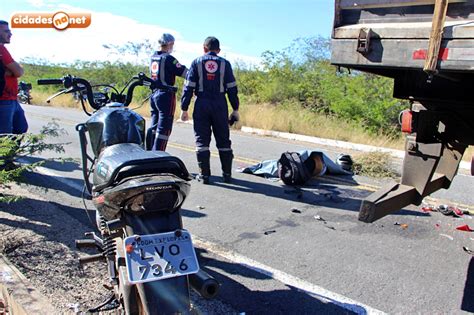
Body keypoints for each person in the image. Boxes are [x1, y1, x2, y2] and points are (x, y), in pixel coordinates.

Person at [180, 36, 240, 184]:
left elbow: (189, 87)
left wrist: (184, 108)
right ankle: (227, 175)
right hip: (220, 104)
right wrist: (235, 108)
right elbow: (232, 88)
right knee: (223, 139)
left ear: (204, 48)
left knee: (202, 140)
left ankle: (204, 175)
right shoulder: (225, 64)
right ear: (218, 50)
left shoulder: (196, 62)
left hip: (201, 104)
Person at [147, 33, 187, 151]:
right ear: (169, 43)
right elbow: (185, 72)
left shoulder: (153, 57)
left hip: (154, 94)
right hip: (165, 95)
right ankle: (157, 156)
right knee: (164, 128)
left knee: (153, 126)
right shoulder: (169, 59)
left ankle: (148, 153)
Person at [0, 20, 28, 135]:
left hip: (12, 99)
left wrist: (8, 71)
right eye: (6, 31)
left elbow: (18, 71)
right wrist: (9, 71)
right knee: (5, 136)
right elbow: (18, 71)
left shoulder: (3, 49)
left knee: (20, 128)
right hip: (3, 100)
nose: (10, 34)